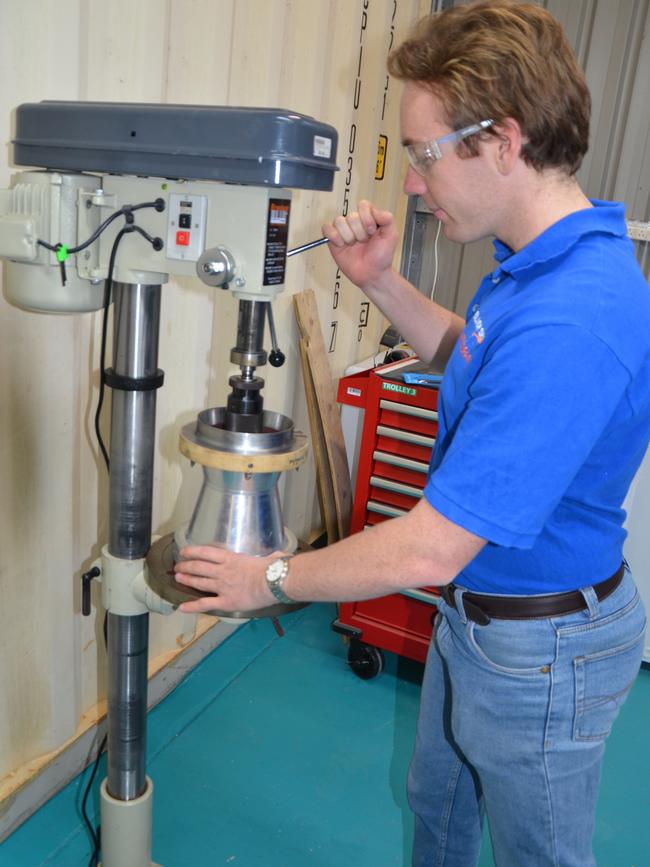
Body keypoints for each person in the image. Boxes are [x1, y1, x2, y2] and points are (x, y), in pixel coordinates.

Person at [174, 2, 650, 864]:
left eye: (426, 154)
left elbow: (430, 551)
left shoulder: (574, 316)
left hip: (540, 652)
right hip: (478, 619)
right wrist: (383, 283)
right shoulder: (536, 266)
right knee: (436, 811)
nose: (415, 182)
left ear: (502, 141)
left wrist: (270, 579)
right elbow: (468, 355)